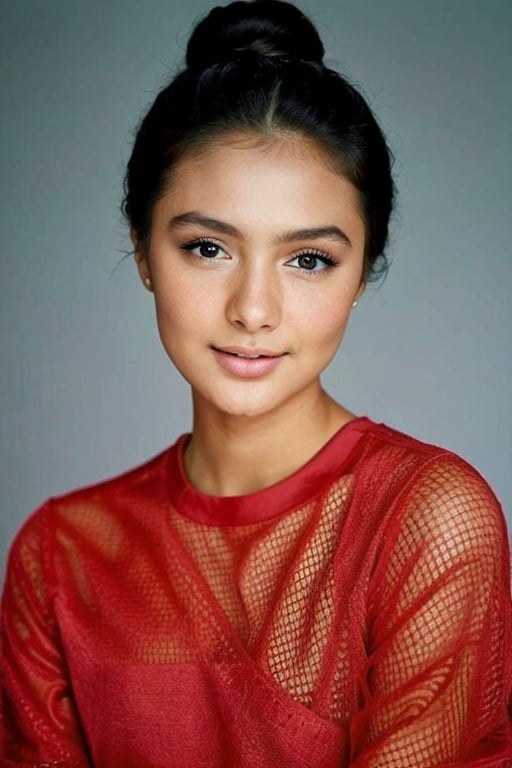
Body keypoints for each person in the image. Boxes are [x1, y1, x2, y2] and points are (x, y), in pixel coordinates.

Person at [1, 0, 511, 765]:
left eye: (309, 259)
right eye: (207, 247)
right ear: (143, 249)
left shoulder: (427, 521)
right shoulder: (61, 556)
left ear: (363, 272)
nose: (253, 310)